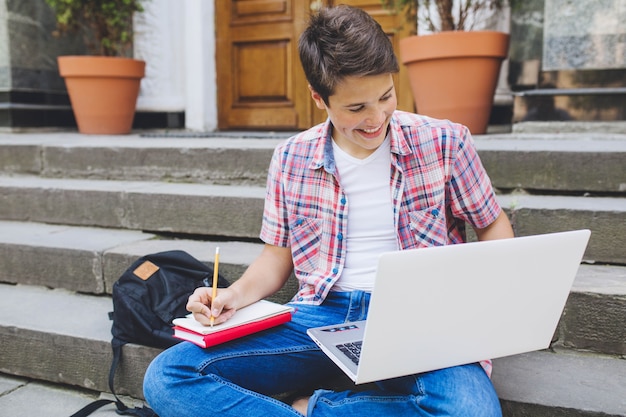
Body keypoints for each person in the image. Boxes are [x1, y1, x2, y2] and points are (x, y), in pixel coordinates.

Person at [143, 5, 514, 416]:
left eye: (386, 96)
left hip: (420, 316)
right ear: (319, 98)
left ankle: (317, 410)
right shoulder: (291, 158)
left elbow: (492, 223)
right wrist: (232, 296)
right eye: (356, 109)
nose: (376, 118)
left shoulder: (445, 141)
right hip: (321, 316)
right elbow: (276, 256)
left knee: (471, 412)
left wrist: (485, 299)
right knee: (168, 377)